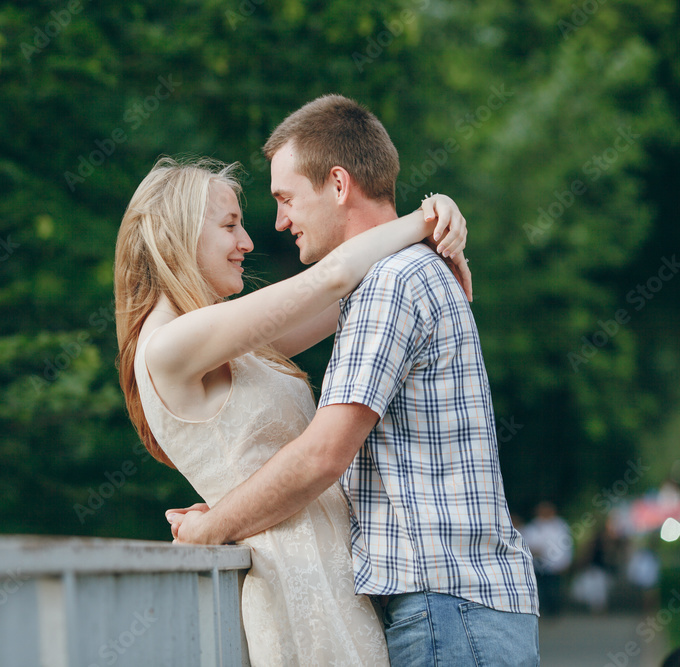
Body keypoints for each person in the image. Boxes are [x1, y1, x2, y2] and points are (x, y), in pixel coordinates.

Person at [168, 95, 540, 665]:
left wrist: (212, 526)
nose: (279, 221)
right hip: (464, 607)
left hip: (447, 611)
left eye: (286, 198)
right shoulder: (404, 271)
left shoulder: (391, 284)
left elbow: (322, 456)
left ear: (338, 185)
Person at [114, 154, 470, 665]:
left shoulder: (225, 342)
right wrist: (423, 220)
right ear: (178, 233)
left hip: (332, 576)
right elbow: (331, 279)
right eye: (230, 225)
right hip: (295, 583)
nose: (247, 244)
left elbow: (350, 294)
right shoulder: (170, 344)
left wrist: (436, 219)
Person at [522, 501, 573, 616]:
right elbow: (527, 543)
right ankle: (543, 610)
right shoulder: (533, 526)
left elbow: (567, 545)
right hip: (538, 564)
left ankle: (554, 611)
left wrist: (566, 561)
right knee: (541, 589)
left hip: (556, 565)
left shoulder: (560, 525)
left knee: (555, 589)